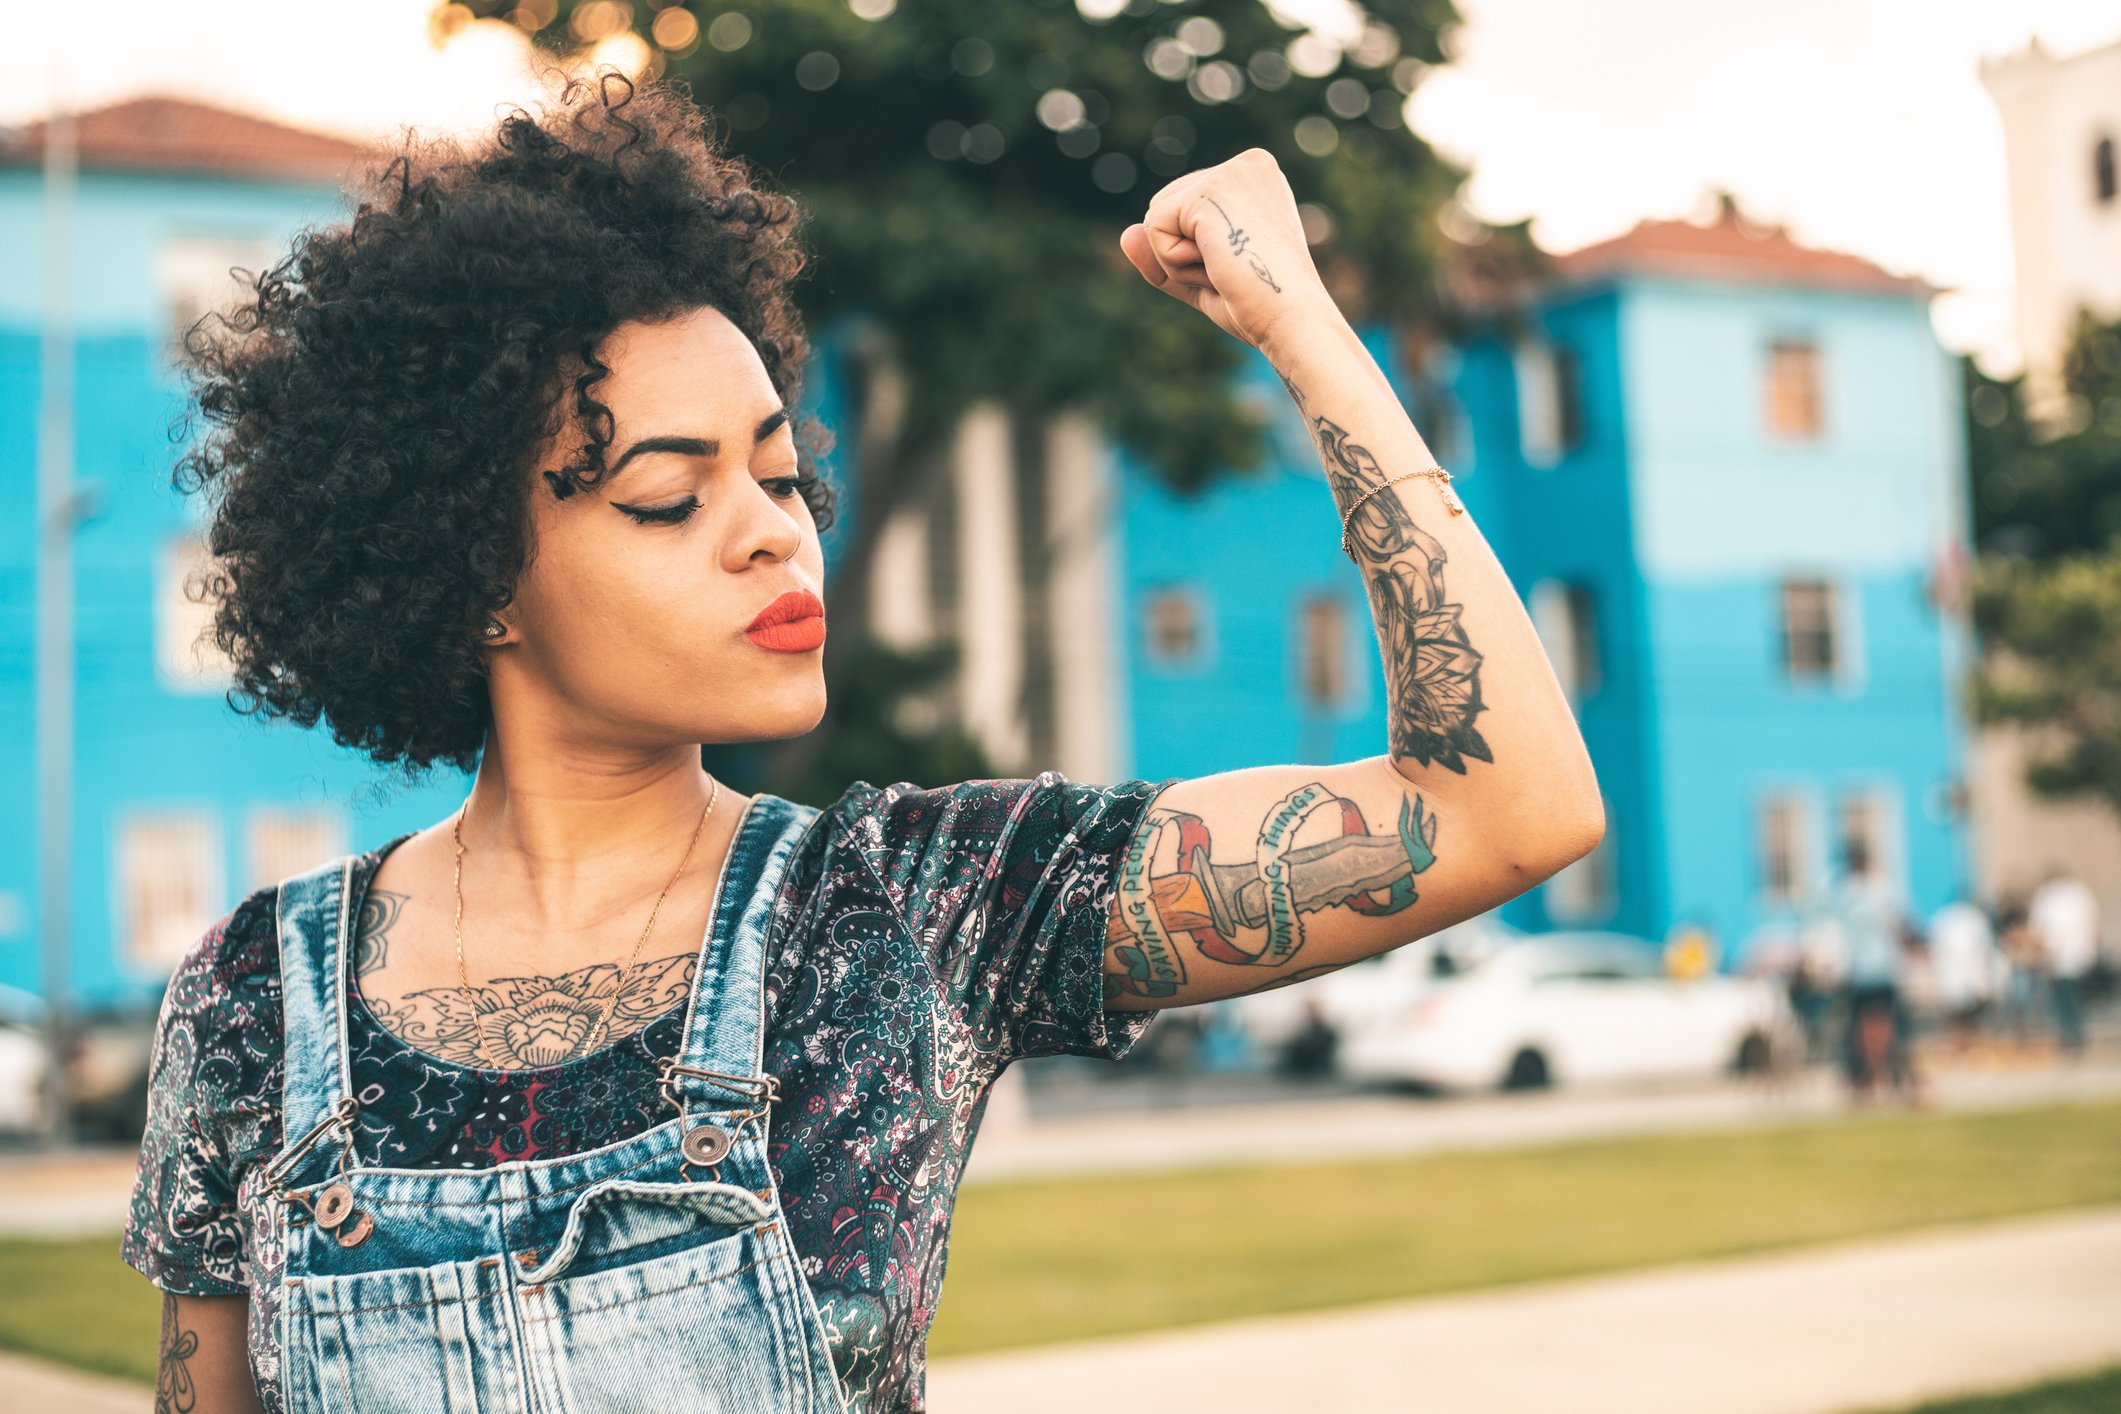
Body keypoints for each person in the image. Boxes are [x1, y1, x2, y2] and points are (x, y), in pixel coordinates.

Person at [118, 71, 1604, 1414]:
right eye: (668, 496)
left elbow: (1502, 810)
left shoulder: (911, 906)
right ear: (472, 569)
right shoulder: (258, 997)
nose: (774, 533)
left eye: (778, 472)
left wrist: (1302, 323)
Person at [1830, 838, 1918, 1103]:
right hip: (1876, 967)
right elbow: (1901, 922)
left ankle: (1869, 1077)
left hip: (1861, 968)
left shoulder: (1843, 891)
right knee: (1886, 1025)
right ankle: (1887, 1075)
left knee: (1863, 1026)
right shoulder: (1880, 888)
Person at [2029, 868, 2101, 1058]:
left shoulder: (2048, 897)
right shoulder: (2080, 894)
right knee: (2074, 999)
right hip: (2079, 954)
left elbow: (2041, 929)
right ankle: (2075, 1037)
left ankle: (2072, 1037)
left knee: (2065, 1001)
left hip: (2059, 957)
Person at [1926, 891, 2000, 1055]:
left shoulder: (1944, 918)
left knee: (1964, 1012)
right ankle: (1965, 1044)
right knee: (1963, 1012)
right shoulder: (1973, 918)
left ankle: (1968, 1043)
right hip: (1961, 973)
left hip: (1960, 973)